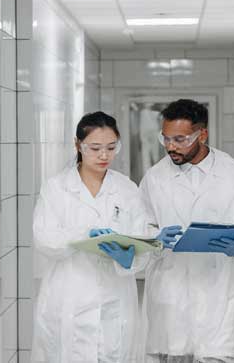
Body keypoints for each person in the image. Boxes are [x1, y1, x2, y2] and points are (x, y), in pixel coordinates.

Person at [140, 99, 234, 363]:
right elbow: (141, 222)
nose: (170, 147)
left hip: (220, 290)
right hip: (171, 291)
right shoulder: (155, 178)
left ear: (202, 134)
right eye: (165, 139)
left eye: (180, 139)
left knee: (217, 354)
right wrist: (152, 237)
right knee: (173, 355)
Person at [32, 111, 149, 363]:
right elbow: (44, 239)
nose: (104, 155)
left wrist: (128, 258)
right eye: (95, 148)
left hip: (115, 298)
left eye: (111, 147)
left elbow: (143, 239)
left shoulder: (127, 189)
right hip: (69, 296)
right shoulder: (56, 188)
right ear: (78, 145)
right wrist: (84, 235)